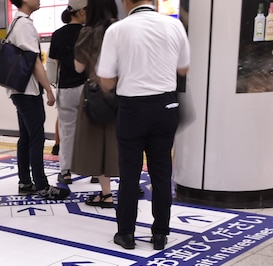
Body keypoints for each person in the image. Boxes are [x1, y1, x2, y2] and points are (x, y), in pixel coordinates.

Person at [98, 0, 189, 251]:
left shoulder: (117, 30)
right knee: (161, 173)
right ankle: (160, 233)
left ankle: (126, 233)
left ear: (127, 2)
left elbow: (106, 80)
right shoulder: (174, 26)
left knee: (129, 173)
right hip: (166, 105)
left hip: (132, 108)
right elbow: (184, 68)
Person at [7, 0, 70, 200]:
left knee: (26, 137)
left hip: (19, 90)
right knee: (36, 137)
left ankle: (25, 182)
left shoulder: (16, 22)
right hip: (28, 91)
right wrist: (48, 90)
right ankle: (42, 185)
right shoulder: (24, 24)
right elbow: (34, 61)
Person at [71, 0, 119, 208]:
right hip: (123, 91)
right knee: (120, 143)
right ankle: (129, 187)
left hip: (96, 92)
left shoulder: (88, 31)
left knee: (96, 144)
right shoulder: (121, 29)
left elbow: (79, 67)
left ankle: (106, 194)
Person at [48, 0, 86, 184]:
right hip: (89, 89)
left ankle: (65, 172)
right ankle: (94, 171)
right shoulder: (88, 33)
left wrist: (51, 87)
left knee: (67, 130)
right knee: (91, 130)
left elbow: (53, 65)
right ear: (79, 13)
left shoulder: (58, 35)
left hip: (67, 88)